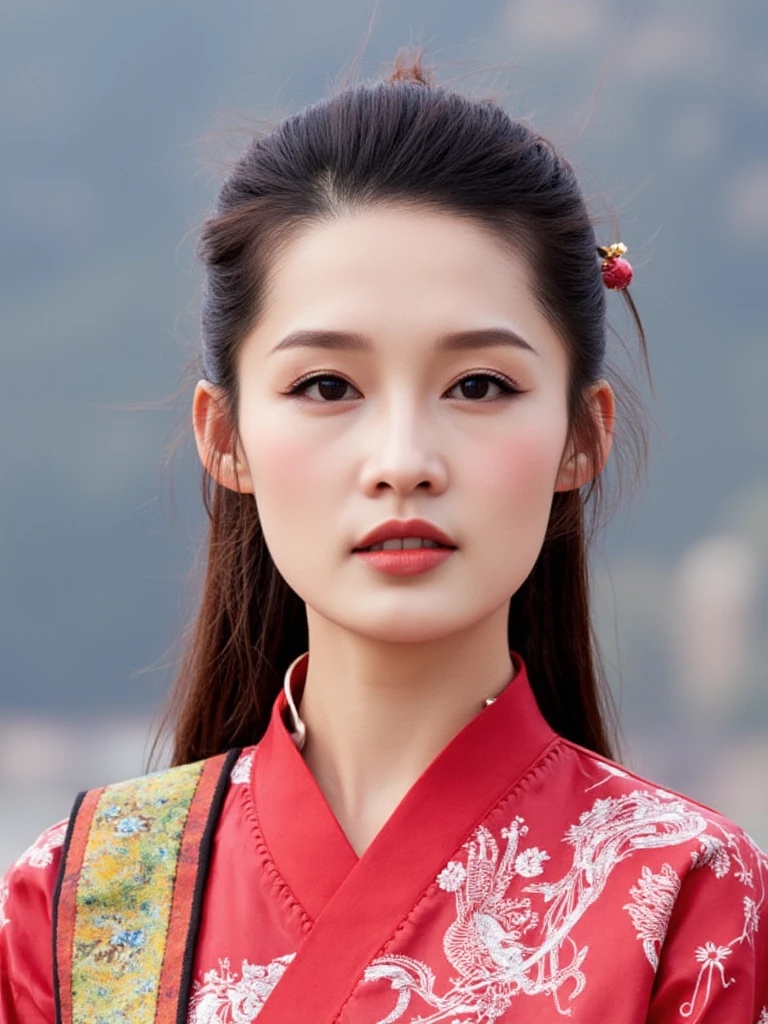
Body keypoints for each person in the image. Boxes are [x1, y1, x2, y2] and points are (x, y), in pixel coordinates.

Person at [1, 52, 766, 1024]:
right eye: (327, 386)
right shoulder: (75, 902)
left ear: (582, 436)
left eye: (479, 385)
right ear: (225, 437)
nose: (403, 459)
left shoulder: (693, 903)